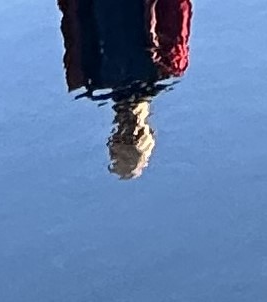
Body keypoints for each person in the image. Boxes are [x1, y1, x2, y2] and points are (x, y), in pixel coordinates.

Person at [58, 0, 188, 176]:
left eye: (120, 137)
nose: (129, 129)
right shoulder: (168, 67)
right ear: (149, 130)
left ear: (113, 135)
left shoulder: (93, 78)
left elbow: (77, 25)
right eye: (136, 136)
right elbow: (177, 9)